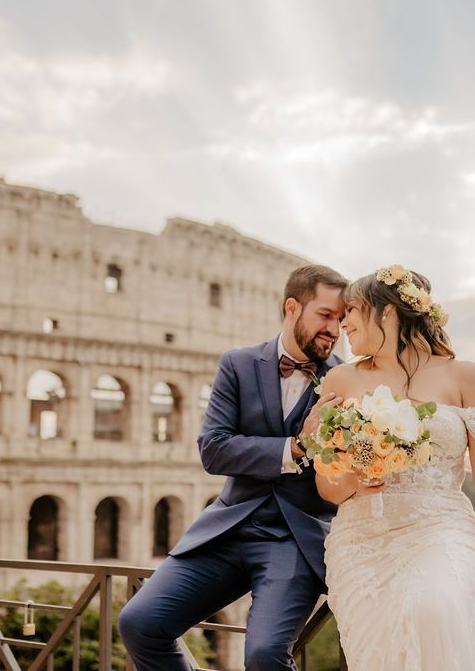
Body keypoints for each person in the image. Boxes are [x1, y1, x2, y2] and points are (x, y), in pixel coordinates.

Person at [119, 264, 348, 670]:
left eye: (342, 320)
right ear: (292, 307)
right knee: (139, 623)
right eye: (326, 315)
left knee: (263, 656)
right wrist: (296, 447)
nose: (335, 329)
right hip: (226, 531)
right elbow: (214, 450)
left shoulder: (345, 382)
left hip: (294, 542)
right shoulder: (238, 364)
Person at [316, 265, 475, 670]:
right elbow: (327, 488)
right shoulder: (340, 380)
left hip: (441, 529)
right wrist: (357, 478)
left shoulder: (465, 375)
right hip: (363, 541)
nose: (343, 322)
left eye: (353, 311)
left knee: (433, 611)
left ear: (388, 313)